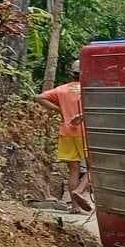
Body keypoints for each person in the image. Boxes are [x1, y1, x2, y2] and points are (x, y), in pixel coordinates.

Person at [39, 61, 91, 212]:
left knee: (73, 170)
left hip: (67, 132)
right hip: (86, 132)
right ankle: (80, 191)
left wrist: (59, 110)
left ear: (72, 73)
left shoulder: (61, 90)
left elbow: (39, 97)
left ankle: (75, 207)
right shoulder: (89, 90)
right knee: (94, 168)